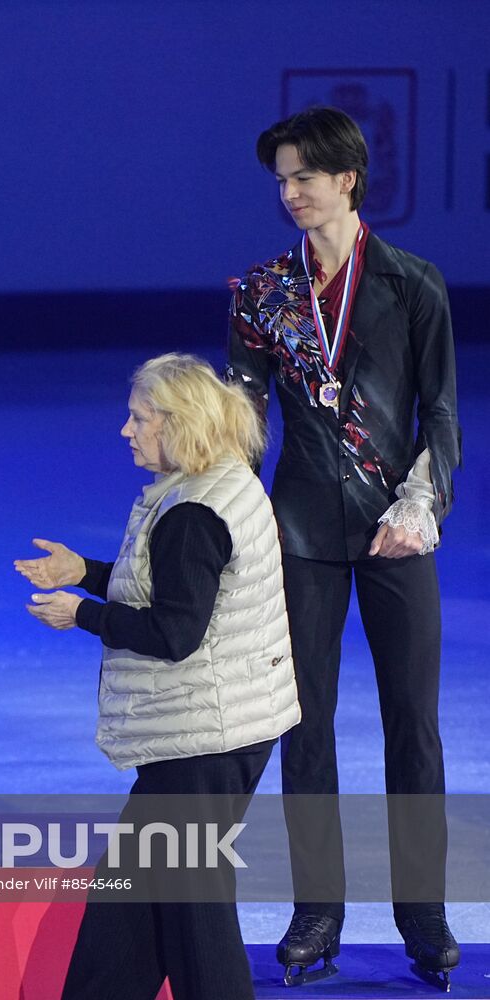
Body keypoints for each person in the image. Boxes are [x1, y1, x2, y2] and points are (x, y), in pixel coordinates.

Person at [228, 106, 461, 989]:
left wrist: (422, 501)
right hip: (300, 534)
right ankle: (315, 912)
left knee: (416, 726)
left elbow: (439, 412)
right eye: (281, 180)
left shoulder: (413, 284)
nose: (289, 194)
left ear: (346, 181)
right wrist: (221, 493)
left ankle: (426, 914)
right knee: (306, 725)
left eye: (303, 178)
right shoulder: (262, 293)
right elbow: (243, 418)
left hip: (399, 535)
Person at [16, 354, 300, 1000]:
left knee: (196, 926)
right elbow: (166, 583)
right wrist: (83, 571)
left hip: (203, 743)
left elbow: (174, 632)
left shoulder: (192, 514)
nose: (126, 430)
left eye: (139, 418)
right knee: (128, 915)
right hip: (214, 732)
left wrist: (82, 614)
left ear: (177, 424)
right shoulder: (218, 481)